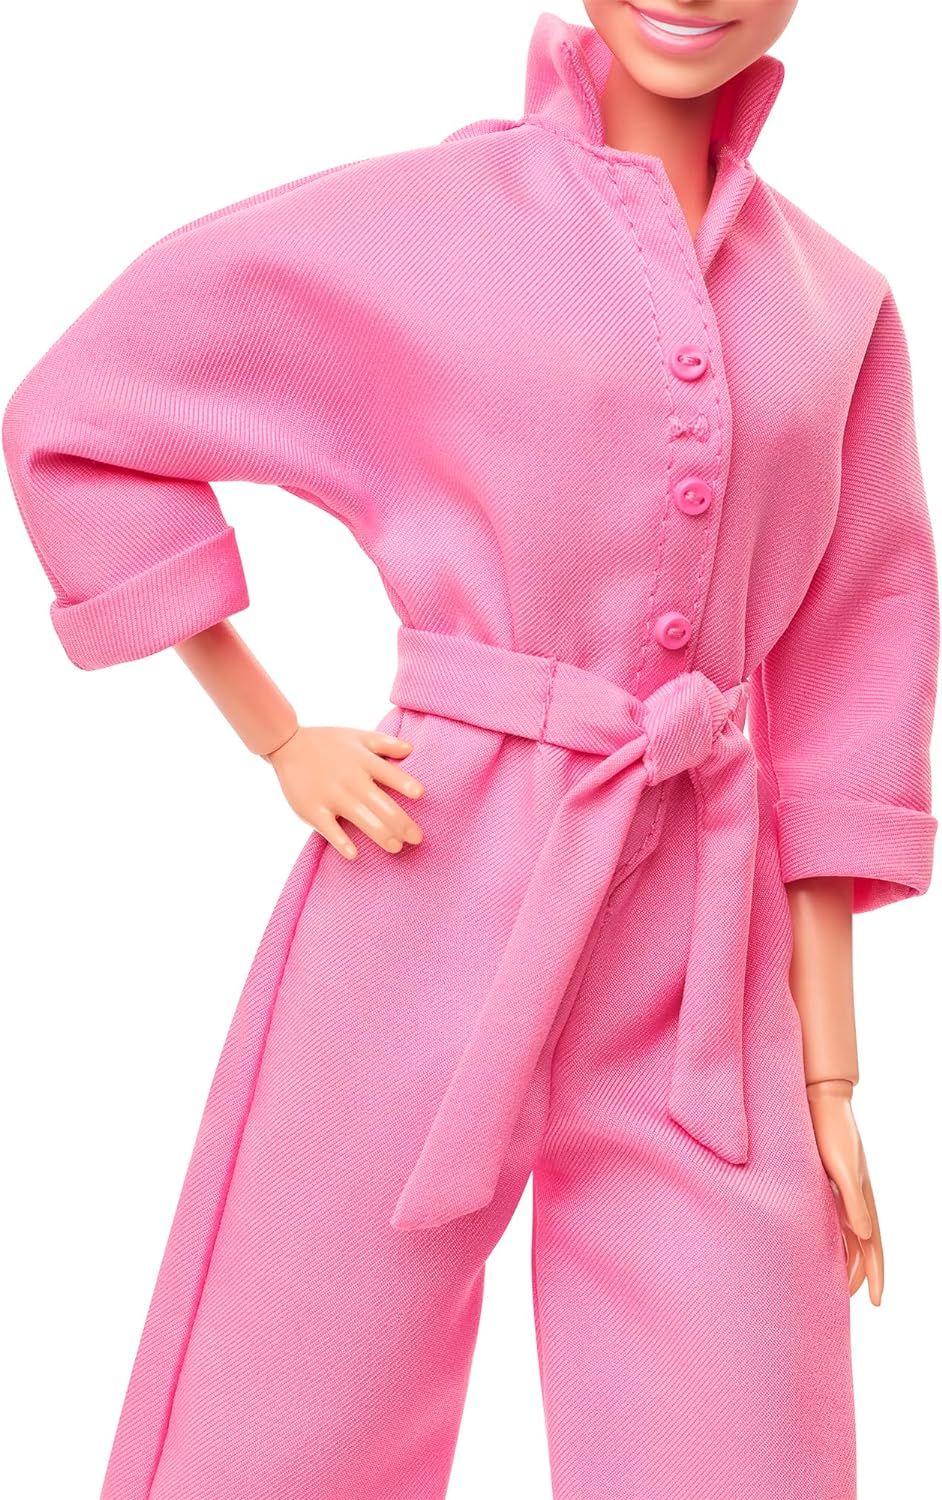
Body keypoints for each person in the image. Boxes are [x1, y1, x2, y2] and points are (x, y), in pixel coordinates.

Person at [3, 4, 938, 1496]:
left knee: (737, 1429)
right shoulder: (426, 227)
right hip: (432, 858)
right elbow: (88, 413)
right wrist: (278, 735)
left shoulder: (839, 307)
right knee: (285, 1393)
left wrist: (830, 1073)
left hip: (703, 939)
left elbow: (857, 636)